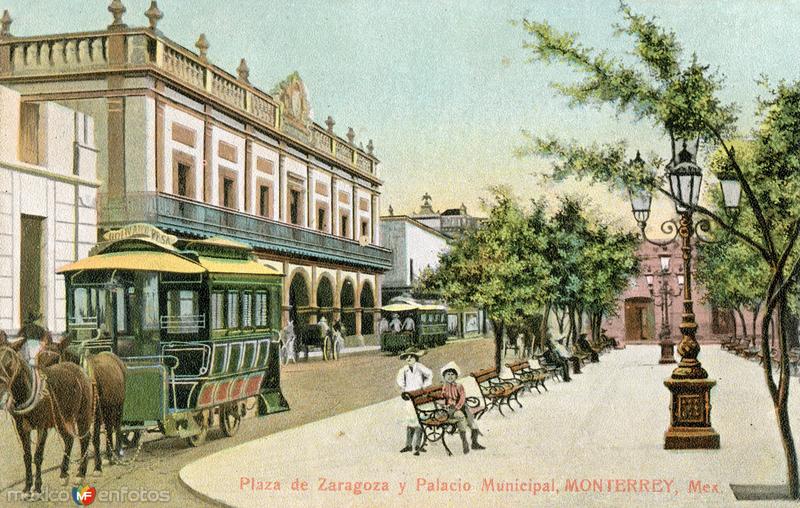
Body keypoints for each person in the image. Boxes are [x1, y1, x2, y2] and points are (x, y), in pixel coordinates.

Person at [440, 361, 485, 454]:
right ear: (444, 376)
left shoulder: (459, 386)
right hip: (451, 410)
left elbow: (462, 398)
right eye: (448, 374)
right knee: (461, 418)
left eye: (452, 374)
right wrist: (445, 404)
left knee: (472, 423)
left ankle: (474, 443)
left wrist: (457, 406)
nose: (450, 376)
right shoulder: (444, 387)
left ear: (456, 376)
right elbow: (442, 398)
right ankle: (464, 441)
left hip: (461, 407)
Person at [396, 347, 432, 455]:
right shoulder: (404, 370)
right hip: (409, 397)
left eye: (411, 356)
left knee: (419, 421)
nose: (409, 358)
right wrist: (403, 389)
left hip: (419, 396)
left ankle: (418, 445)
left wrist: (424, 386)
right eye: (407, 357)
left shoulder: (420, 367)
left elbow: (429, 374)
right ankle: (408, 445)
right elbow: (400, 381)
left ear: (416, 358)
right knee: (409, 420)